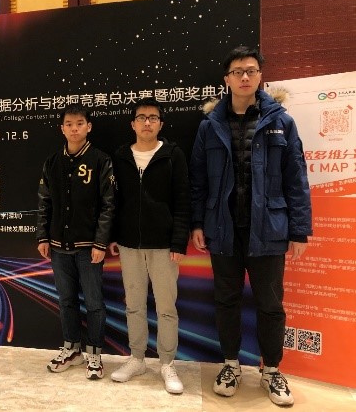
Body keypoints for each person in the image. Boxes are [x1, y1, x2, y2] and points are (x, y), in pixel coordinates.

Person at [189, 46, 312, 406]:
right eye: (237, 71)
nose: (244, 77)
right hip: (222, 228)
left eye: (251, 70)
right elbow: (198, 181)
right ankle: (231, 365)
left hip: (269, 228)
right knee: (226, 301)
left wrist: (299, 229)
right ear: (226, 79)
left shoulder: (281, 122)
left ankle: (271, 371)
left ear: (260, 76)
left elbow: (296, 178)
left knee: (270, 303)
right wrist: (197, 222)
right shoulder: (209, 126)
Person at [108, 97, 190, 394]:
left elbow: (183, 200)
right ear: (133, 124)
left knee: (166, 307)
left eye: (153, 118)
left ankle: (167, 363)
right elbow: (114, 201)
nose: (147, 122)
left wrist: (178, 241)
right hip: (129, 245)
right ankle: (137, 358)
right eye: (141, 117)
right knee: (134, 305)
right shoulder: (121, 156)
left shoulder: (173, 155)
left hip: (164, 245)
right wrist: (113, 235)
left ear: (161, 124)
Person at [36, 104, 115, 380]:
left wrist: (100, 242)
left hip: (88, 246)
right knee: (66, 300)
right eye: (68, 124)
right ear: (62, 128)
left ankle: (94, 353)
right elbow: (44, 202)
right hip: (58, 246)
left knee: (94, 302)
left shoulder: (100, 160)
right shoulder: (52, 162)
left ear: (88, 127)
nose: (74, 128)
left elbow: (108, 205)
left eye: (79, 123)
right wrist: (43, 236)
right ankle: (72, 348)